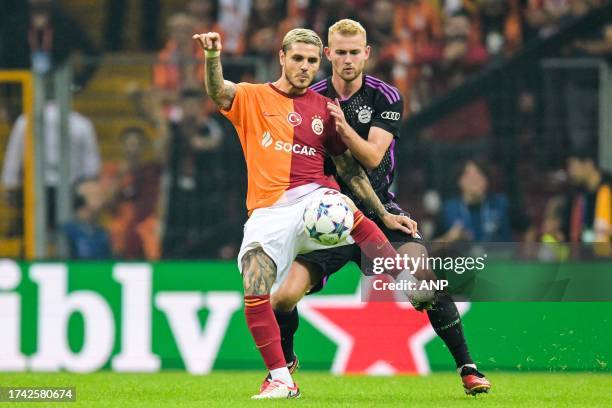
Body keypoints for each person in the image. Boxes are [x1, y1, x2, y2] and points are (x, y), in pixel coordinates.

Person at [262, 19, 491, 396]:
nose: (348, 60)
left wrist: (341, 125)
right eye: (341, 52)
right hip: (329, 221)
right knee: (282, 297)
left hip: (379, 212)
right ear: (328, 54)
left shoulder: (386, 96)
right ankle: (284, 372)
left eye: (355, 52)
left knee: (423, 282)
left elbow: (370, 158)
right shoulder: (311, 97)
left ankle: (468, 368)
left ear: (366, 54)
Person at [193, 28, 424, 399]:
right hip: (268, 212)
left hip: (312, 199)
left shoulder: (324, 111)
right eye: (298, 58)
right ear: (282, 57)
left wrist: (383, 213)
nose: (304, 67)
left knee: (341, 207)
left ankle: (406, 282)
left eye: (312, 61)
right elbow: (219, 90)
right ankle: (281, 379)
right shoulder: (253, 97)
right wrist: (212, 57)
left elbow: (349, 171)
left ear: (320, 63)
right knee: (256, 284)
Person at [438, 159, 511, 243]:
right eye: (469, 176)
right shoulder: (449, 209)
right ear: (459, 181)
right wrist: (450, 237)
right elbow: (429, 248)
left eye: (479, 175)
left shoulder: (501, 204)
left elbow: (526, 231)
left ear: (486, 180)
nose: (475, 180)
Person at [60, 179, 112, 259]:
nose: (101, 200)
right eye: (95, 195)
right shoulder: (67, 232)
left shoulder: (101, 233)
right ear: (81, 200)